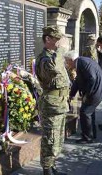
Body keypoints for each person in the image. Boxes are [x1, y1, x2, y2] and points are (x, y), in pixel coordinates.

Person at [35, 25, 69, 175]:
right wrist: (61, 49)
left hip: (60, 104)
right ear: (47, 39)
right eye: (57, 39)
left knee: (58, 138)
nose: (59, 42)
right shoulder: (45, 58)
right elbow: (53, 69)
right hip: (51, 105)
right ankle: (47, 171)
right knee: (50, 139)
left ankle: (52, 167)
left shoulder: (54, 56)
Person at [64, 51, 102, 143]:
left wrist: (87, 95)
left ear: (71, 60)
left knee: (85, 112)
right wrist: (71, 94)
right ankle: (91, 134)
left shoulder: (82, 63)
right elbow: (78, 81)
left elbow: (92, 79)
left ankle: (87, 138)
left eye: (67, 61)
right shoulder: (80, 62)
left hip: (96, 91)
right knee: (89, 112)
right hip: (98, 89)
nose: (66, 63)